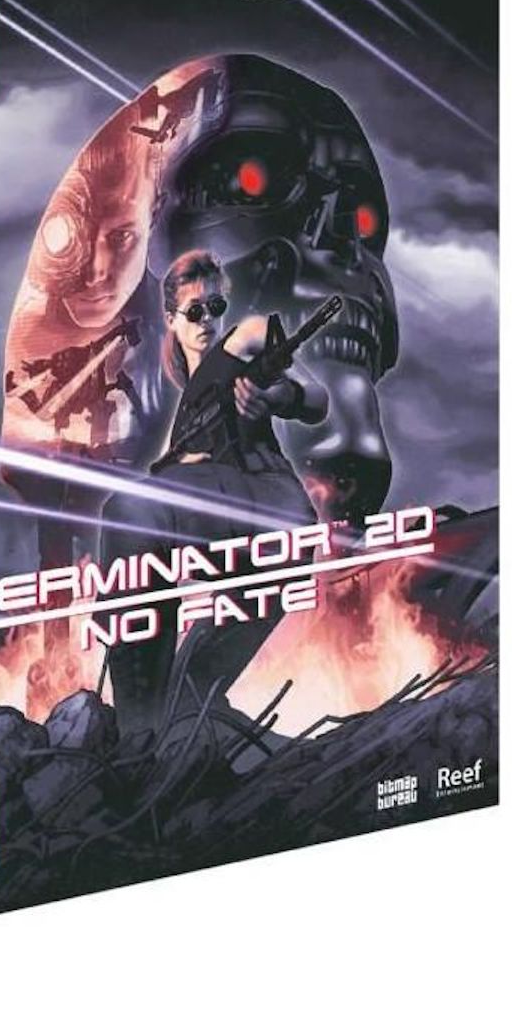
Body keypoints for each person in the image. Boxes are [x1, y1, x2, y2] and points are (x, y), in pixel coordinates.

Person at [97, 250, 329, 736]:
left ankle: (137, 734)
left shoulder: (245, 338)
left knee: (129, 512)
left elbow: (315, 398)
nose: (207, 319)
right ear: (171, 320)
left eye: (215, 307)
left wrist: (277, 396)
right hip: (249, 556)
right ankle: (150, 735)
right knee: (184, 699)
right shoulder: (185, 414)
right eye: (194, 311)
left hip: (273, 510)